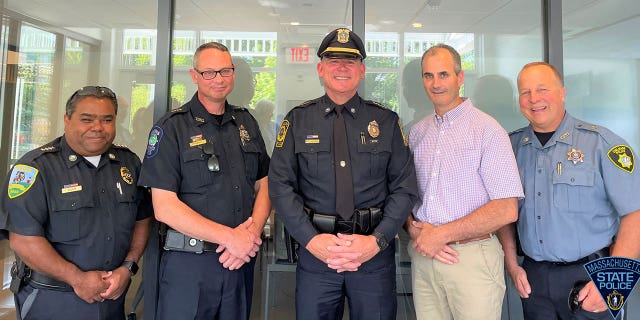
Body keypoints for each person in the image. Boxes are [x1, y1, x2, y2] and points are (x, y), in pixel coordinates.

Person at [269, 28, 419, 320]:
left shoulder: (385, 121)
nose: (341, 67)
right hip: (317, 254)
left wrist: (377, 240)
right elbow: (280, 186)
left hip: (373, 255)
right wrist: (311, 241)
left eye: (350, 61)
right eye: (333, 60)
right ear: (320, 69)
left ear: (362, 71)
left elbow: (404, 187)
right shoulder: (298, 120)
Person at [138, 41, 270, 320]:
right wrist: (230, 238)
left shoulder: (246, 123)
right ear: (194, 75)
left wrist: (251, 233)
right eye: (209, 72)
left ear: (233, 74)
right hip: (190, 267)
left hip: (239, 262)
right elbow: (164, 207)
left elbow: (265, 183)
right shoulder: (171, 127)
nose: (218, 79)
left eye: (225, 71)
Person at [500, 61, 640, 319]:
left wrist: (611, 282)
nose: (534, 99)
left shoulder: (602, 144)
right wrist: (512, 266)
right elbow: (504, 214)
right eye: (525, 92)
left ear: (563, 92)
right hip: (534, 280)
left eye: (543, 89)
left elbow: (635, 213)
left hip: (592, 277)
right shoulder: (511, 148)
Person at [0, 85, 152, 319]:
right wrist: (77, 279)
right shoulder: (35, 168)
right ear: (67, 119)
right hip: (52, 301)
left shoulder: (128, 164)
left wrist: (128, 267)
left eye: (107, 119)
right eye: (87, 119)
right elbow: (23, 240)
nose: (97, 128)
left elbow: (142, 219)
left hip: (111, 300)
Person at [406, 44, 523, 320]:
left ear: (460, 78)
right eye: (428, 76)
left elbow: (507, 208)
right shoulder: (417, 133)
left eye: (444, 74)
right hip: (425, 258)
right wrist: (413, 228)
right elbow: (407, 196)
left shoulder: (488, 130)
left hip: (471, 258)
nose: (436, 83)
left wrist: (442, 234)